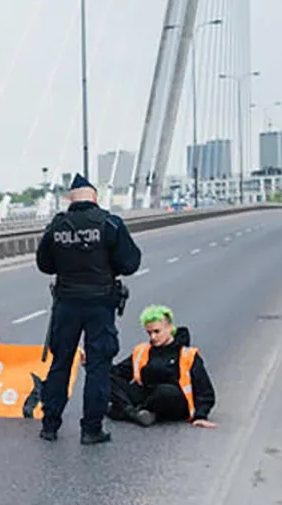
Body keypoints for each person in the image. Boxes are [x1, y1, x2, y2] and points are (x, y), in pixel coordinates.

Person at [35, 173, 142, 444]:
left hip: (66, 303)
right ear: (95, 197)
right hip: (100, 303)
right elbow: (130, 264)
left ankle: (50, 425)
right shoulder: (109, 223)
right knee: (97, 365)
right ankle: (91, 429)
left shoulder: (57, 226)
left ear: (71, 199)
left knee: (60, 364)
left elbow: (45, 264)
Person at [109, 304, 217, 428]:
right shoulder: (142, 351)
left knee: (166, 392)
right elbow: (117, 373)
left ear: (170, 327)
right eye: (149, 333)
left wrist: (200, 416)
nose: (153, 337)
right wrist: (92, 364)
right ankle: (134, 413)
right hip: (145, 394)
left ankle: (125, 410)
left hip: (173, 400)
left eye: (157, 331)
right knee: (104, 377)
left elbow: (204, 390)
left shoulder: (187, 355)